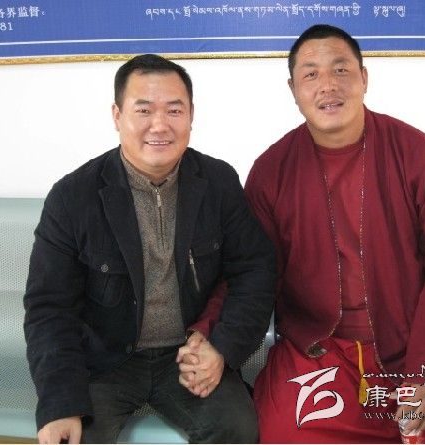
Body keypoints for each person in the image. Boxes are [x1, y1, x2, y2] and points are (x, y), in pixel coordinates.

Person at [242, 24, 425, 443]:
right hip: (322, 350)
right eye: (311, 74)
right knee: (289, 433)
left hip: (421, 339)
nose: (328, 85)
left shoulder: (420, 156)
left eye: (341, 70)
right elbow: (253, 275)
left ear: (364, 78)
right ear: (293, 89)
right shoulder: (271, 172)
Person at [23, 54, 275, 444]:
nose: (160, 125)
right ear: (117, 115)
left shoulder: (218, 182)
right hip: (104, 362)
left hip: (187, 358)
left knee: (237, 429)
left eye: (174, 110)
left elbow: (254, 271)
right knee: (74, 438)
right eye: (143, 110)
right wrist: (59, 403)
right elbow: (49, 307)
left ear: (191, 115)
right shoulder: (73, 197)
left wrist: (221, 348)